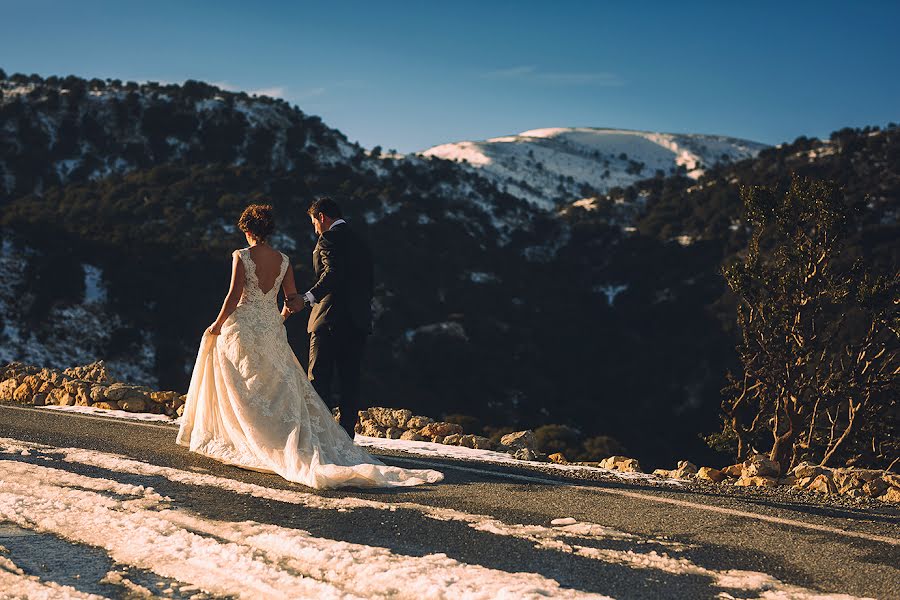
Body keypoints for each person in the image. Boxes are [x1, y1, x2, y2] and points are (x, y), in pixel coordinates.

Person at [176, 203, 442, 489]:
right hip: (281, 328)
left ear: (249, 230)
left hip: (252, 324)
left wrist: (217, 324)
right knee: (283, 383)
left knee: (247, 382)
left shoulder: (242, 256)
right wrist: (280, 316)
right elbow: (292, 300)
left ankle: (248, 435)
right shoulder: (285, 260)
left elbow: (233, 295)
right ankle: (323, 438)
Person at [285, 197, 372, 437]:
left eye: (314, 222)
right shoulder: (362, 242)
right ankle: (346, 438)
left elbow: (333, 273)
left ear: (322, 217)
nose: (314, 228)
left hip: (329, 320)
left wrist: (307, 298)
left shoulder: (328, 239)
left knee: (319, 380)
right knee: (350, 383)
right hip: (358, 322)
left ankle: (321, 437)